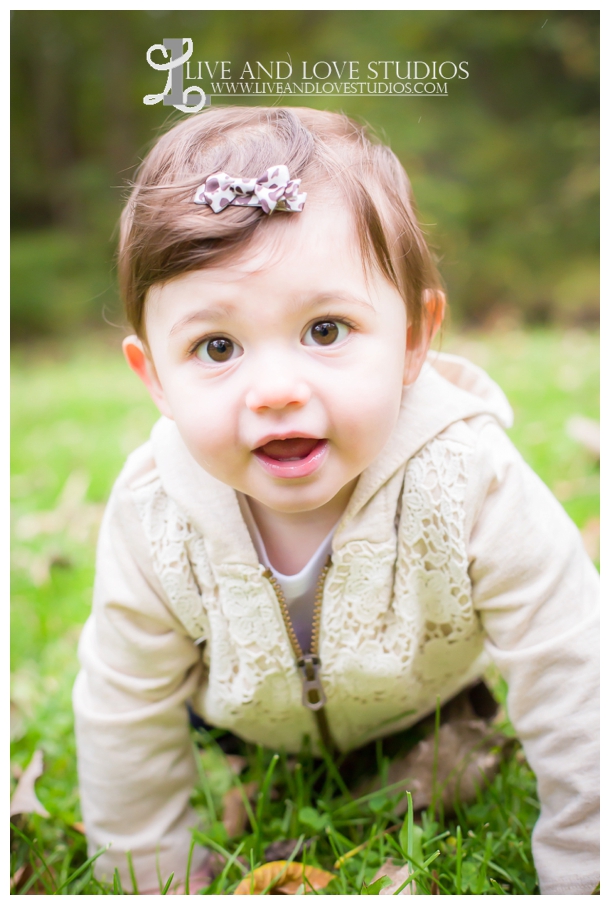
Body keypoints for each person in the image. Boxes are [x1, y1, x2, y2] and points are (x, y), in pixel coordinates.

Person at [73, 106, 599, 895]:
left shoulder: (465, 475)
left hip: (425, 704)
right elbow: (125, 700)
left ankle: (434, 756)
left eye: (325, 329)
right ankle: (277, 776)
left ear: (416, 338)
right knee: (257, 779)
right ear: (154, 377)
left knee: (446, 777)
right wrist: (149, 871)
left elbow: (571, 656)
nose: (278, 391)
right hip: (251, 730)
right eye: (216, 347)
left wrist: (588, 866)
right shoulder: (157, 513)